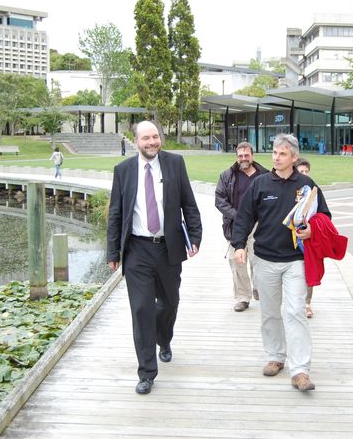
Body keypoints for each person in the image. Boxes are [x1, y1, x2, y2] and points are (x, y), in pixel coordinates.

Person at [107, 120, 202, 395]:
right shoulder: (123, 171)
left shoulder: (175, 163)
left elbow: (189, 204)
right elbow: (115, 213)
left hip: (168, 248)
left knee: (170, 302)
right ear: (135, 141)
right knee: (141, 310)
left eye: (155, 137)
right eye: (146, 138)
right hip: (137, 250)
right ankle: (146, 372)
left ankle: (165, 338)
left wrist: (194, 237)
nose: (151, 142)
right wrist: (113, 251)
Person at [232, 134, 330, 392]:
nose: (276, 157)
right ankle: (276, 356)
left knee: (295, 311)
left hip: (295, 260)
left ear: (294, 158)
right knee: (270, 312)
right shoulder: (261, 184)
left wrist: (311, 231)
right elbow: (243, 217)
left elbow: (324, 217)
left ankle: (300, 371)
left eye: (282, 154)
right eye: (274, 153)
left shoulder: (307, 185)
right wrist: (239, 245)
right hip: (264, 258)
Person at [215, 141, 268, 312]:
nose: (243, 159)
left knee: (257, 259)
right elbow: (220, 200)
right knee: (237, 262)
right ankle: (243, 297)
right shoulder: (227, 176)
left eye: (246, 155)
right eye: (240, 156)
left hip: (258, 225)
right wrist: (238, 216)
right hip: (235, 224)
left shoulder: (264, 175)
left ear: (253, 155)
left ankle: (258, 288)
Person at [294, 158, 315, 319]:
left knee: (308, 270)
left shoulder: (314, 189)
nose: (305, 174)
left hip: (307, 236)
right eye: (302, 171)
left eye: (307, 171)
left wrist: (312, 227)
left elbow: (324, 213)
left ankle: (307, 303)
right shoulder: (288, 187)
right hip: (288, 236)